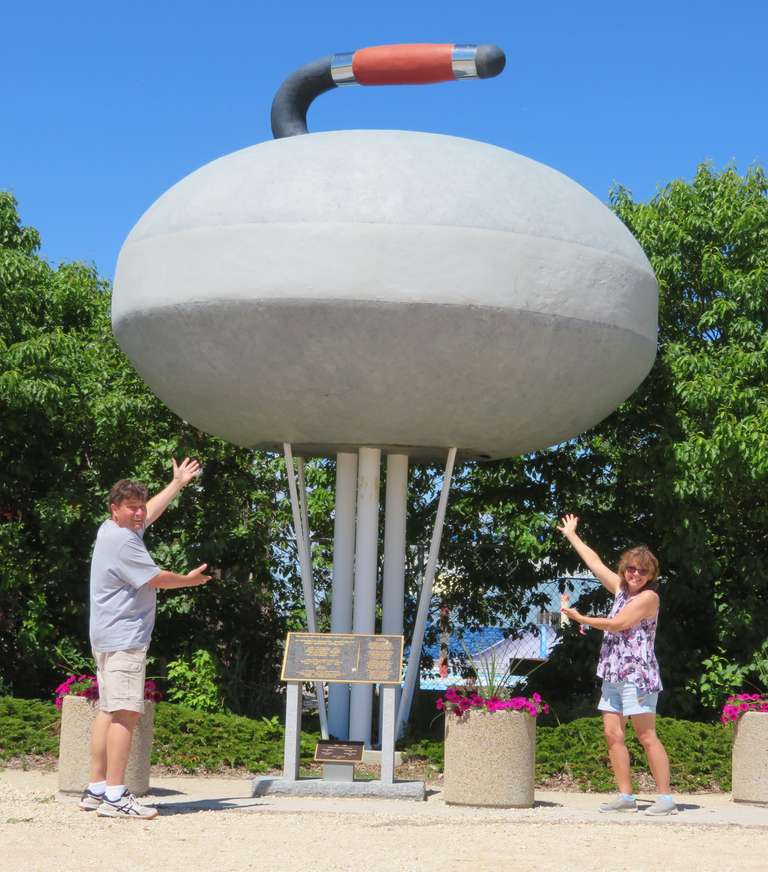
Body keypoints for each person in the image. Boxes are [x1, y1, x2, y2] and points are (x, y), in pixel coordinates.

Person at [79, 458, 212, 820]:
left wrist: (177, 483)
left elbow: (149, 513)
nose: (139, 513)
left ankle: (96, 788)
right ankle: (116, 797)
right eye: (131, 508)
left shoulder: (111, 529)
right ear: (115, 510)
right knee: (125, 712)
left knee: (108, 709)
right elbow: (156, 578)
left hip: (107, 635)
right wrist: (188, 580)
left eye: (140, 506)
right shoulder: (124, 542)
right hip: (124, 637)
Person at [557, 513, 676, 816]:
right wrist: (571, 535)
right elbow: (594, 563)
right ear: (625, 569)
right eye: (631, 568)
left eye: (642, 571)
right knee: (612, 734)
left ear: (650, 575)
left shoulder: (649, 598)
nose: (635, 573)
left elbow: (618, 623)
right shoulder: (622, 589)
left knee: (646, 735)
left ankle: (665, 799)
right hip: (612, 672)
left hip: (637, 675)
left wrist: (581, 619)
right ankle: (625, 796)